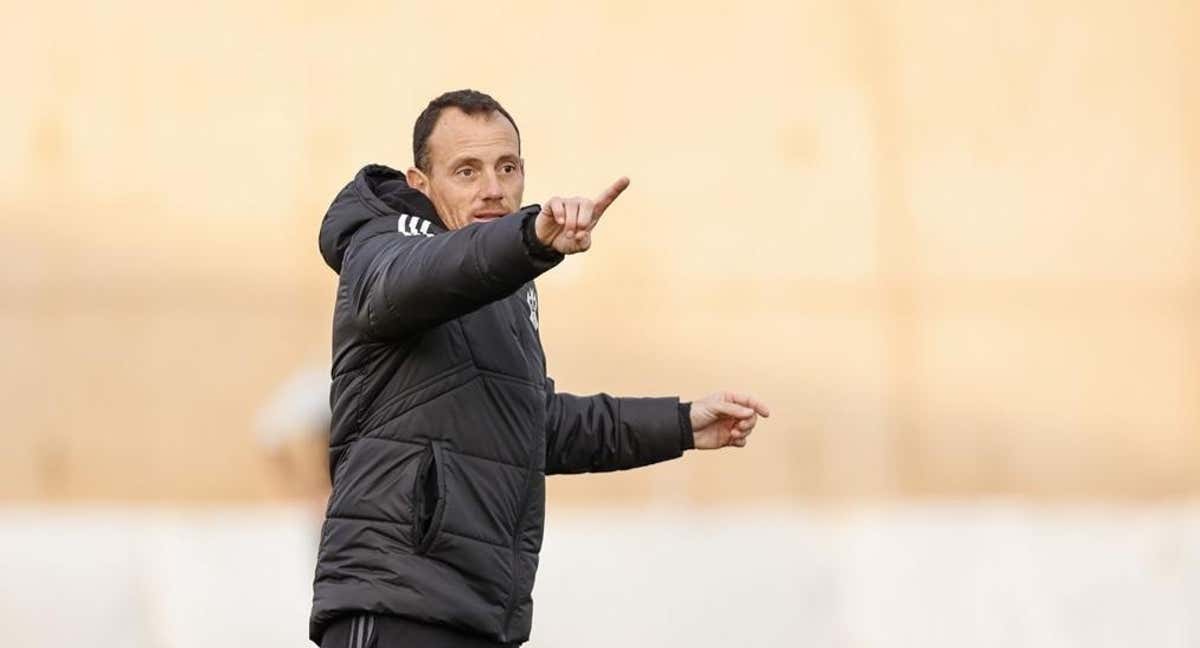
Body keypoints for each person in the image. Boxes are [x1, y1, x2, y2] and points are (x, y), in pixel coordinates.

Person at [311, 89, 771, 648]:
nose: (493, 190)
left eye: (507, 168)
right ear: (420, 185)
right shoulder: (382, 247)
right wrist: (530, 237)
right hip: (396, 608)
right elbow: (425, 275)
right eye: (466, 171)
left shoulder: (505, 288)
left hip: (480, 614)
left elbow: (532, 426)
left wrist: (680, 424)